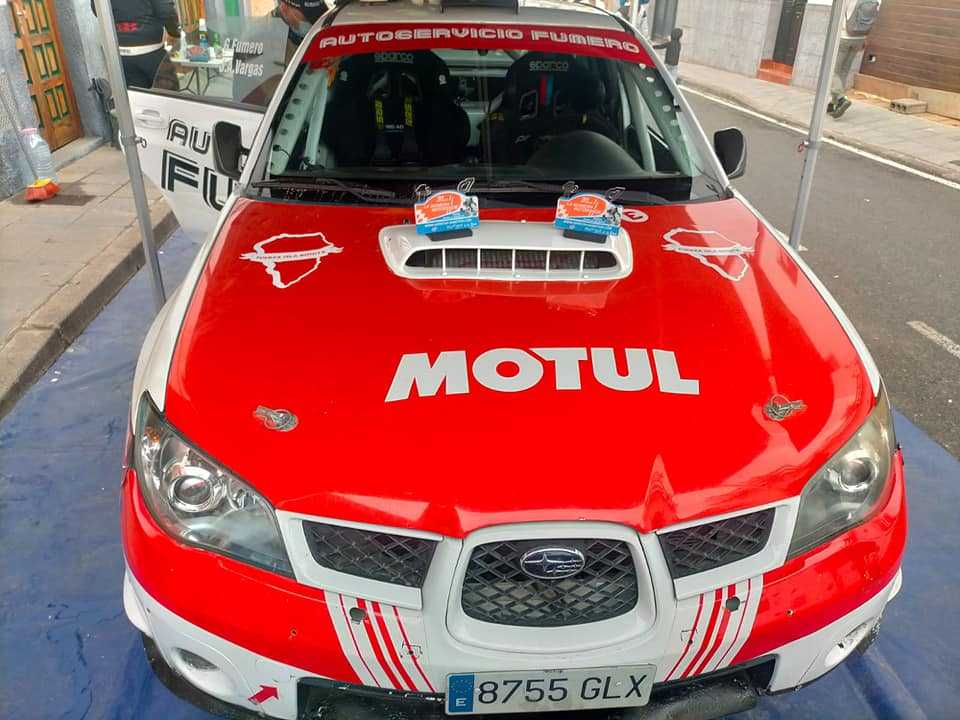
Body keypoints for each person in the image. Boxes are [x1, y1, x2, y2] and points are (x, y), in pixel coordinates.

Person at [91, 0, 179, 89]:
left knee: (136, 95)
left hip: (121, 52)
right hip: (150, 50)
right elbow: (166, 11)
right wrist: (176, 33)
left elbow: (97, 9)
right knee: (169, 93)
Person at [829, 0, 882, 119]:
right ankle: (834, 104)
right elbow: (870, 20)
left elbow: (840, 11)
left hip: (845, 36)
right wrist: (865, 38)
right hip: (860, 38)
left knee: (833, 70)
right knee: (843, 71)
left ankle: (841, 99)